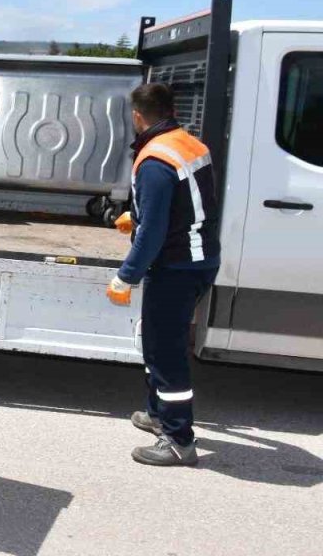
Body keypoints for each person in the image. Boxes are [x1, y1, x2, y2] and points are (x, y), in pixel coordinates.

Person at [108, 83, 221, 467]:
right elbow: (183, 203)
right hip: (201, 259)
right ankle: (157, 415)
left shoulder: (154, 160)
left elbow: (155, 233)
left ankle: (178, 440)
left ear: (138, 116)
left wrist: (126, 276)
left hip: (175, 267)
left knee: (165, 352)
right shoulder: (189, 144)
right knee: (159, 341)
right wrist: (135, 216)